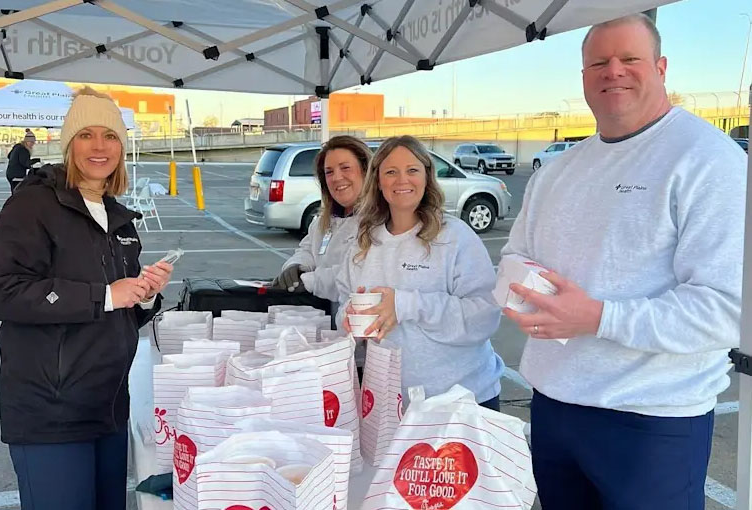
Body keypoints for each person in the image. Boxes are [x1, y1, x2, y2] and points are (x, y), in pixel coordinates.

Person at [501, 14, 745, 510]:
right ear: (584, 78)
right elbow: (513, 255)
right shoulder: (558, 170)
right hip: (553, 405)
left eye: (629, 59)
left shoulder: (709, 161)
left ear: (660, 67)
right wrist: (522, 294)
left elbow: (726, 309)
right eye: (598, 62)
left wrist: (597, 317)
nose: (613, 71)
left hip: (652, 420)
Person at [0, 87, 174, 510]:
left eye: (109, 136)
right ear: (69, 144)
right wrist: (104, 295)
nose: (99, 146)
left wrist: (141, 296)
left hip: (106, 405)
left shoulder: (117, 215)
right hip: (50, 412)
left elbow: (116, 306)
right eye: (86, 135)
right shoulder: (32, 205)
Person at [335, 135, 504, 409]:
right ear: (378, 181)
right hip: (389, 404)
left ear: (427, 176)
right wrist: (350, 318)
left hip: (460, 401)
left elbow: (484, 316)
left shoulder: (455, 236)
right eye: (391, 172)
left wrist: (405, 305)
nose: (402, 180)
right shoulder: (362, 241)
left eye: (412, 170)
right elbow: (344, 301)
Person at [271, 135, 371, 302]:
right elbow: (308, 250)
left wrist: (310, 281)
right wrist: (295, 267)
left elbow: (357, 272)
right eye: (329, 172)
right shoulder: (323, 222)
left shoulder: (380, 223)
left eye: (345, 168)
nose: (337, 177)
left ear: (366, 171)